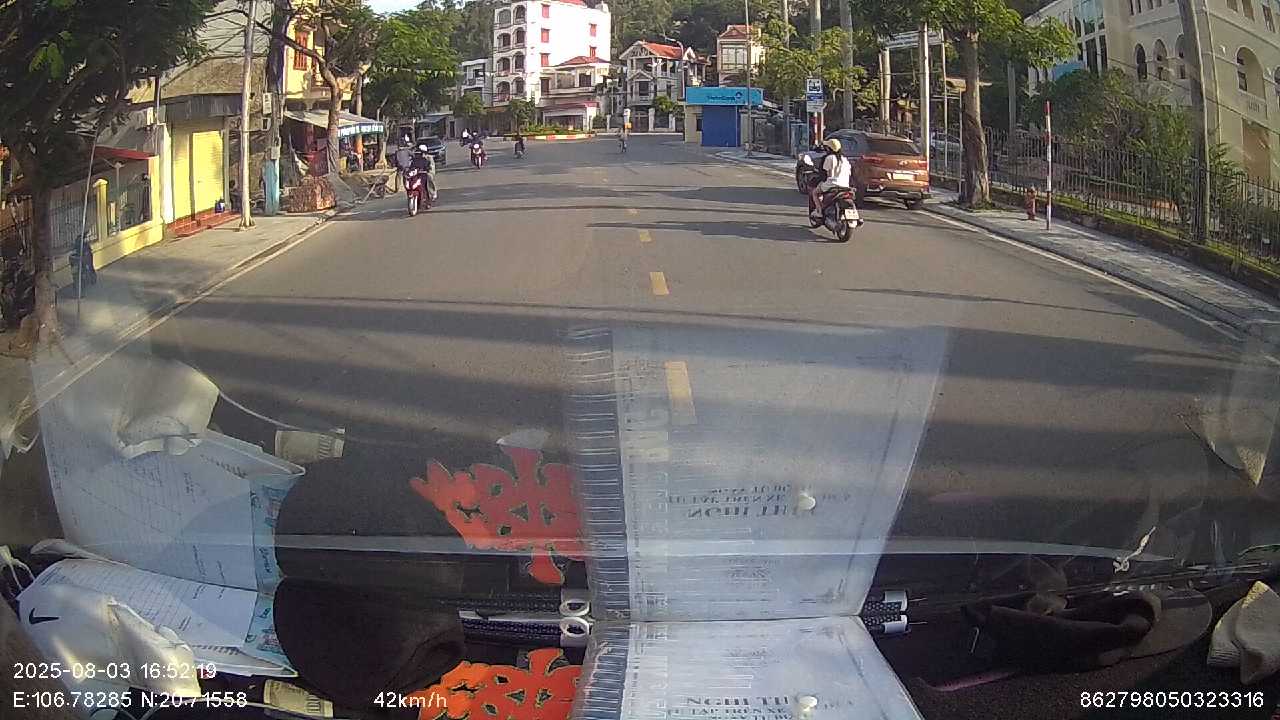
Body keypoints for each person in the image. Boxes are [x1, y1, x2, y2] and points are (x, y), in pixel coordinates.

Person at [808, 138, 852, 222]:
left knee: (815, 193)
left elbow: (827, 175)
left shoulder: (829, 158)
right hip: (845, 185)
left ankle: (819, 212)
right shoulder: (845, 159)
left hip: (832, 184)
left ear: (829, 148)